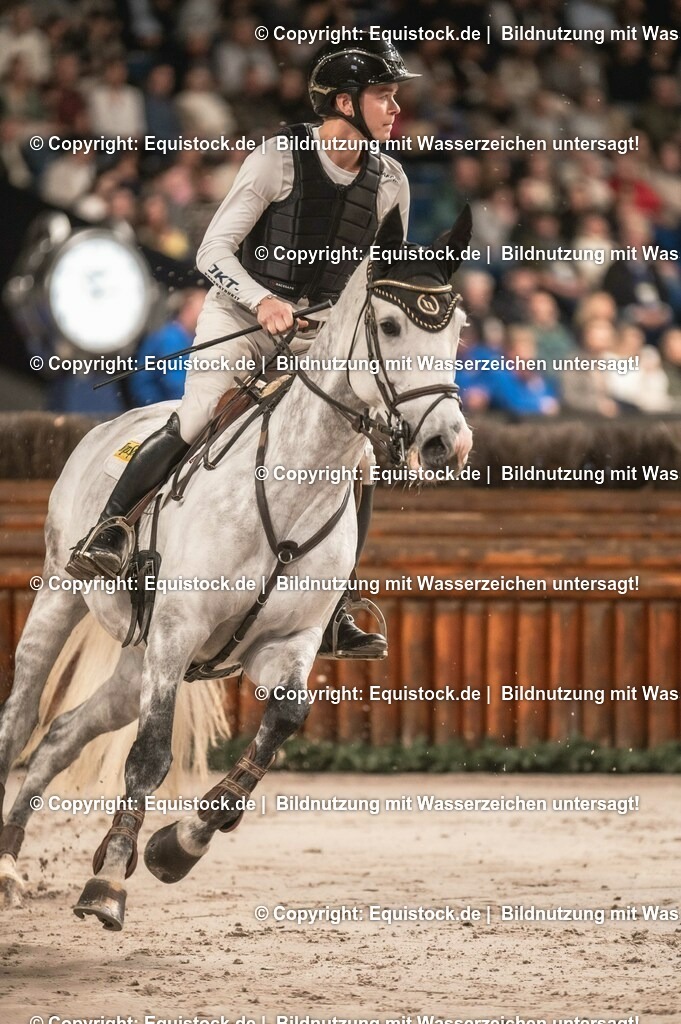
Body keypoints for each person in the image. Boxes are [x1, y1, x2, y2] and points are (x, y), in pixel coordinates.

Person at [67, 35, 419, 660]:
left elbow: (381, 280)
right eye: (384, 96)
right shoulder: (278, 159)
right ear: (344, 102)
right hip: (243, 313)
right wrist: (263, 301)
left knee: (359, 457)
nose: (396, 109)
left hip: (316, 337)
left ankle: (336, 603)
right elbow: (210, 252)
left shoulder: (392, 181)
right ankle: (110, 530)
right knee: (201, 414)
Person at [128, 289, 206, 406]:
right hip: (164, 411)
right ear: (188, 309)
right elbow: (175, 384)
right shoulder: (169, 338)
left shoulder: (192, 338)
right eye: (203, 309)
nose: (207, 315)